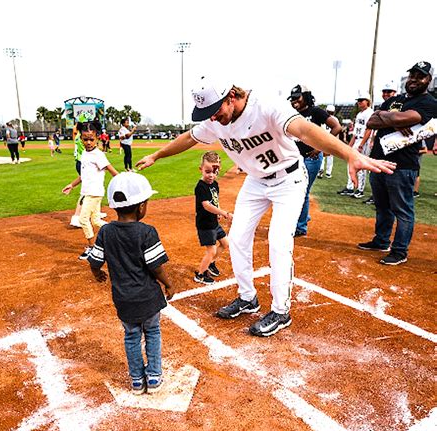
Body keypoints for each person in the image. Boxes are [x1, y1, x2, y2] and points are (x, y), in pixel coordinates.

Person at [136, 77, 396, 337]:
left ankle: (281, 310)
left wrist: (349, 153)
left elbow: (305, 131)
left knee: (279, 241)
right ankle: (248, 298)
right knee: (237, 237)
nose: (213, 118)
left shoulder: (266, 106)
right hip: (256, 181)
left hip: (288, 178)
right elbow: (189, 138)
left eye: (216, 111)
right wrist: (156, 155)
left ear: (231, 97)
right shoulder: (216, 121)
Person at [88, 172, 175, 393]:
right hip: (148, 297)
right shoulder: (146, 232)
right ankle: (154, 377)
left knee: (132, 336)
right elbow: (155, 266)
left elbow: (95, 260)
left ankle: (137, 380)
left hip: (123, 299)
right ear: (141, 207)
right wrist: (169, 284)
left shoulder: (106, 231)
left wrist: (96, 273)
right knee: (153, 332)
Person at [358, 61, 437, 265]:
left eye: (420, 76)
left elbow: (410, 117)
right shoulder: (395, 99)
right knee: (382, 206)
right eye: (412, 75)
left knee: (403, 210)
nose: (414, 80)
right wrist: (395, 119)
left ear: (428, 80)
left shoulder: (429, 102)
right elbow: (371, 121)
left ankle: (399, 251)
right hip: (378, 160)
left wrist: (389, 118)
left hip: (403, 165)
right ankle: (381, 241)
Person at [288, 85, 341, 237]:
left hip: (311, 158)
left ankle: (301, 227)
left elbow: (336, 127)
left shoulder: (315, 111)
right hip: (296, 158)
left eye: (297, 97)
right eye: (292, 99)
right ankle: (304, 217)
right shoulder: (293, 114)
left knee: (302, 191)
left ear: (305, 96)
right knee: (297, 190)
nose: (294, 101)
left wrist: (320, 148)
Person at [62, 122, 118, 259]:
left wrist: (123, 180)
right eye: (85, 139)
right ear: (81, 138)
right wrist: (72, 185)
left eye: (91, 139)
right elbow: (83, 175)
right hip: (88, 192)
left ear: (97, 138)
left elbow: (111, 170)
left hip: (94, 193)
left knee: (82, 219)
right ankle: (118, 233)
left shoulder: (98, 155)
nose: (88, 142)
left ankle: (92, 248)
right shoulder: (85, 154)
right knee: (96, 221)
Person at [194, 151, 232, 284]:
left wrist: (218, 212)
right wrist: (223, 213)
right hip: (205, 224)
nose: (211, 175)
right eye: (208, 171)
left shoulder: (215, 184)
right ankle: (200, 274)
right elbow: (206, 205)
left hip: (214, 222)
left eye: (215, 172)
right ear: (201, 169)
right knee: (211, 250)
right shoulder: (201, 187)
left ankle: (210, 264)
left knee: (225, 243)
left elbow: (215, 200)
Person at [362, 82, 398, 205]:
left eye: (389, 91)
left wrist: (381, 118)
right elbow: (371, 124)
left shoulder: (399, 106)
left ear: (395, 93)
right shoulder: (382, 106)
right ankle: (374, 196)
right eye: (384, 91)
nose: (386, 94)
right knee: (376, 174)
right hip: (379, 148)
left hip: (393, 150)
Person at [337, 92, 374, 198]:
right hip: (357, 139)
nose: (359, 102)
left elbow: (369, 129)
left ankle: (360, 190)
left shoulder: (369, 113)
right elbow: (355, 132)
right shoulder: (359, 114)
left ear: (367, 101)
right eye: (358, 100)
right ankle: (350, 187)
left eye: (361, 100)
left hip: (364, 140)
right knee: (351, 163)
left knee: (361, 165)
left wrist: (362, 144)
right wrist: (350, 145)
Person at [317, 104, 340, 179]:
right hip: (332, 139)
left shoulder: (323, 117)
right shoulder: (335, 119)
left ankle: (321, 169)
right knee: (330, 157)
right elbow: (338, 130)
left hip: (323, 138)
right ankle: (328, 173)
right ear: (333, 112)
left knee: (322, 156)